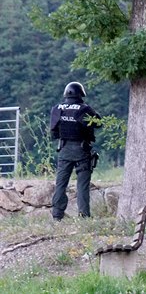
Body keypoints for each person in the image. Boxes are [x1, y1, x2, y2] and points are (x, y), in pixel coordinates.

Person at [50, 82, 101, 221]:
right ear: (81, 94)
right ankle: (84, 216)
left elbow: (53, 132)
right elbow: (98, 123)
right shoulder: (84, 109)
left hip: (64, 150)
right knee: (82, 185)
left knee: (61, 183)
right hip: (82, 150)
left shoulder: (57, 108)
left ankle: (57, 216)